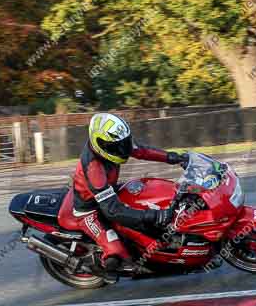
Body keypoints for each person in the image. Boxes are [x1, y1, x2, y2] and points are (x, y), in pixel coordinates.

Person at [60, 112, 187, 276]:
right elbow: (112, 210)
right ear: (103, 146)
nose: (124, 149)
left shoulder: (114, 143)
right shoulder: (94, 169)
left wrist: (173, 157)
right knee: (116, 252)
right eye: (119, 146)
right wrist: (154, 216)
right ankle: (106, 265)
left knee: (145, 197)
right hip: (89, 210)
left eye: (125, 143)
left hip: (107, 190)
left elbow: (142, 151)